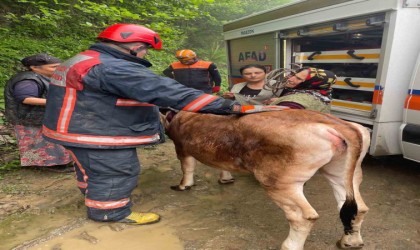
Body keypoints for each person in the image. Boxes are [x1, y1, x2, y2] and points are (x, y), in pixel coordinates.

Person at [42, 23, 284, 226]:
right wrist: (235, 108)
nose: (146, 54)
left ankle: (93, 195)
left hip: (73, 128)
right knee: (117, 172)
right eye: (146, 50)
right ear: (136, 47)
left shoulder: (84, 59)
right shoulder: (114, 68)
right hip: (96, 132)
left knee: (90, 168)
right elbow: (170, 92)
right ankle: (110, 212)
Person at [4, 53, 73, 172]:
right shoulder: (28, 80)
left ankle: (55, 163)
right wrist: (54, 101)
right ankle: (49, 165)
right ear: (34, 67)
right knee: (37, 141)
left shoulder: (44, 76)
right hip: (29, 117)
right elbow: (26, 98)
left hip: (40, 116)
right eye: (54, 67)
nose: (58, 69)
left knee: (46, 141)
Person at [269, 67, 337, 113]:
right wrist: (280, 100)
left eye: (298, 78)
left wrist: (282, 104)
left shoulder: (293, 103)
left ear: (310, 83)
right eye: (294, 76)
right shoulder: (322, 95)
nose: (290, 79)